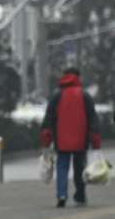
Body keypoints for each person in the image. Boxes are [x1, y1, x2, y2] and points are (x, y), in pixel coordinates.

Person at [40, 68, 102, 207]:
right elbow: (92, 118)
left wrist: (45, 140)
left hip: (61, 141)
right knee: (80, 168)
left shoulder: (57, 96)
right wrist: (95, 141)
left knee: (62, 168)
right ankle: (80, 195)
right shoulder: (84, 95)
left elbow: (49, 119)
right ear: (77, 78)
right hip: (81, 141)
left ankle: (61, 195)